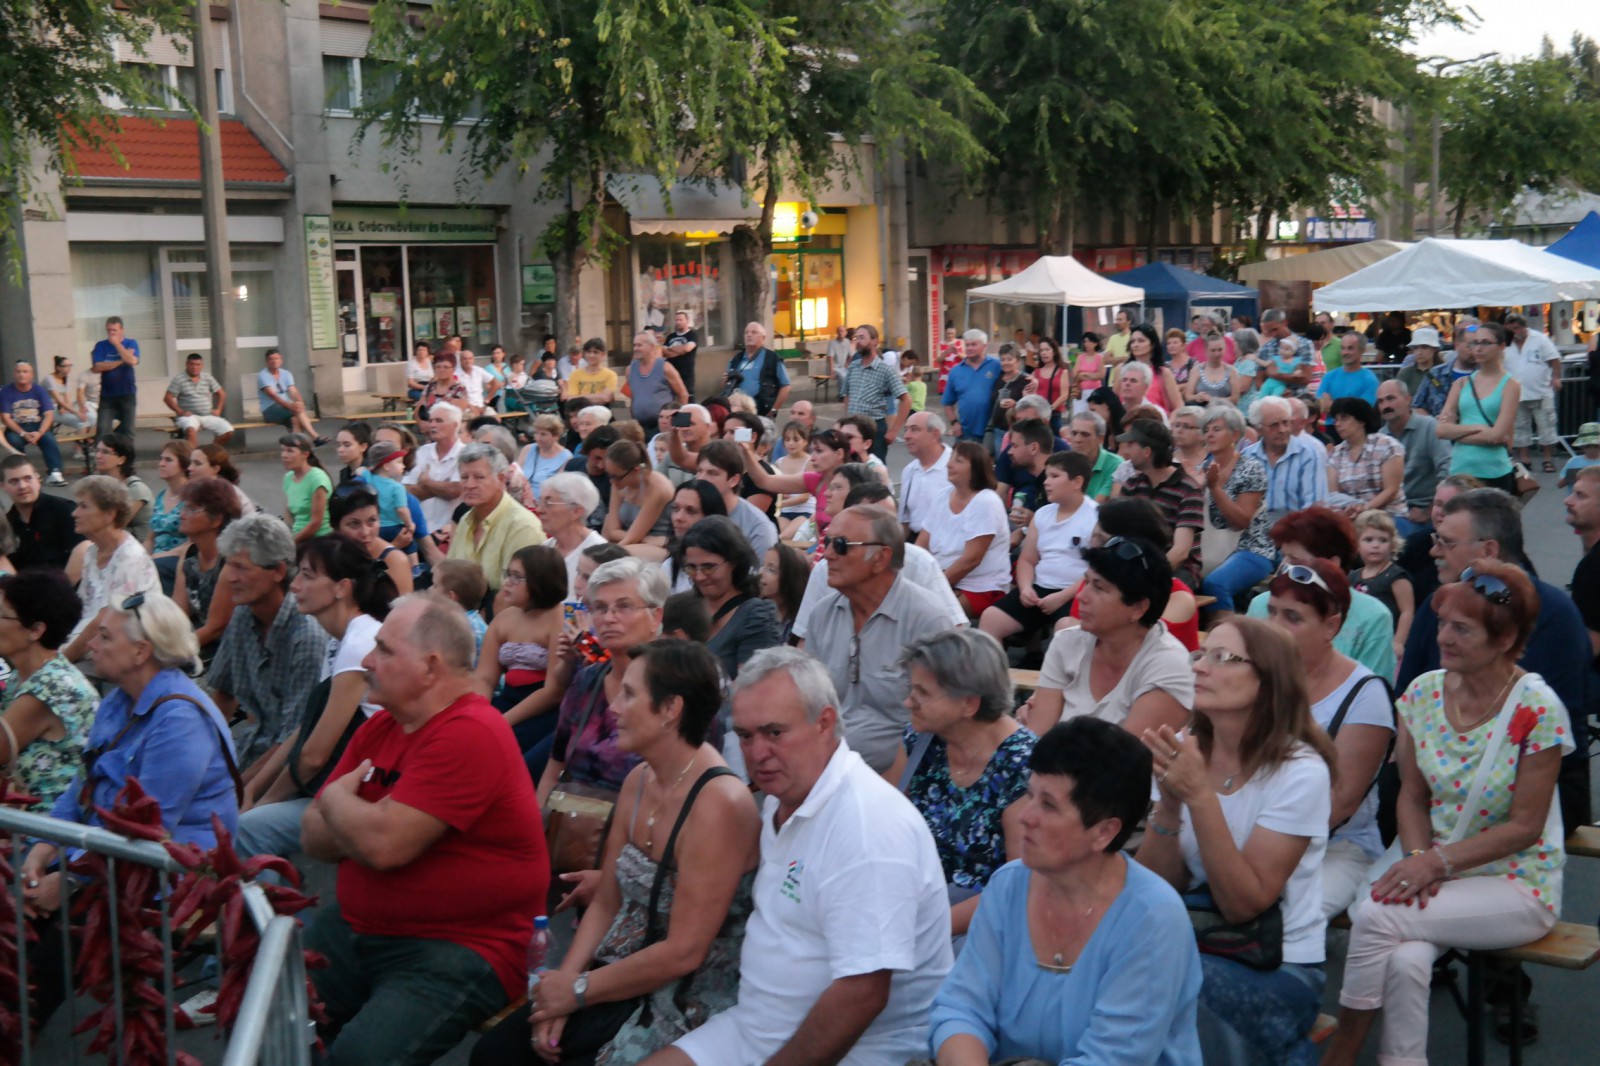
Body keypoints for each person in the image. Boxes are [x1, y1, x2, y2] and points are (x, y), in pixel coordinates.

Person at [646, 647, 952, 1066]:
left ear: (824, 722)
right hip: (754, 1026)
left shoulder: (866, 826)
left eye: (774, 732)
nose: (757, 753)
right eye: (745, 736)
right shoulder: (784, 795)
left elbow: (862, 993)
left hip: (859, 1053)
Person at [1321, 560, 1572, 1066]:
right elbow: (1412, 796)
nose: (1443, 638)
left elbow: (1525, 828)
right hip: (1437, 869)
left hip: (1516, 883)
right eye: (1442, 623)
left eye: (1462, 628)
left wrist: (1434, 864)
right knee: (1408, 959)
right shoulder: (1422, 693)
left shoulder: (1539, 709)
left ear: (1504, 640)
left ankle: (1342, 1051)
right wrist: (1419, 859)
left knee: (1375, 914)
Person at [475, 641, 759, 1066]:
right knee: (495, 1055)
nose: (613, 707)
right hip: (617, 972)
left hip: (682, 996)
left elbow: (685, 952)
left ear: (670, 709)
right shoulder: (639, 779)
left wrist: (576, 992)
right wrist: (564, 985)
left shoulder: (720, 803)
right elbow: (607, 901)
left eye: (629, 694)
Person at [301, 593, 550, 1066]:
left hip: (458, 946)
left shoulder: (471, 730)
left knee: (359, 1060)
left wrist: (337, 802)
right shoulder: (381, 728)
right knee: (268, 1015)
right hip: (361, 927)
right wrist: (365, 820)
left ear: (430, 667)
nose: (367, 662)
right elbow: (311, 837)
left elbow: (384, 846)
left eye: (384, 650)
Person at [928, 716, 1202, 1066]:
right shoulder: (1009, 885)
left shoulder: (1153, 919)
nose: (1025, 816)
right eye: (1029, 794)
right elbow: (961, 1007)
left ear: (1104, 832)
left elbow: (1112, 1059)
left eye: (1049, 805)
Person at [22, 591, 240, 1027]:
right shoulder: (119, 699)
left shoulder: (180, 720)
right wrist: (41, 850)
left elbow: (146, 831)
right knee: (20, 913)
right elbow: (83, 790)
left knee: (40, 966)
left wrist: (68, 881)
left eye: (104, 637)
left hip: (163, 876)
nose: (91, 644)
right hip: (106, 857)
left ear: (141, 652)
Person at [1136, 619, 1335, 1065]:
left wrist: (1199, 798)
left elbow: (1245, 903)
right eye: (1201, 654)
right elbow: (1158, 886)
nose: (1200, 667)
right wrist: (1168, 808)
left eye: (1223, 658)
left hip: (1278, 961)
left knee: (1177, 993)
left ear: (1268, 682)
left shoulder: (1301, 772)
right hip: (1196, 937)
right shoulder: (1186, 748)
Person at [1399, 488, 1592, 834]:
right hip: (1443, 777)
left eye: (1446, 542)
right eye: (1436, 539)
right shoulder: (1440, 605)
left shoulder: (1553, 616)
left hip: (1530, 787)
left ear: (1488, 550)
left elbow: (1538, 736)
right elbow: (1406, 700)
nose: (1434, 551)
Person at [234, 534, 393, 862]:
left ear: (341, 587)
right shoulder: (339, 640)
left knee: (247, 829)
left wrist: (265, 802)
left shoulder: (358, 643)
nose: (294, 586)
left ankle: (272, 898)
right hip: (346, 783)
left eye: (307, 576)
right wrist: (252, 789)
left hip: (370, 792)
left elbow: (314, 756)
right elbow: (305, 729)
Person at [1261, 560, 1395, 919]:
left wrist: (1259, 845)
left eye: (1292, 617)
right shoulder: (1256, 676)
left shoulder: (1365, 694)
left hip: (1336, 848)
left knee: (1292, 917)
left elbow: (1341, 803)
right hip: (1251, 833)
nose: (1275, 626)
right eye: (1271, 612)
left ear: (1331, 626)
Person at [800, 505, 961, 773]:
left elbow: (943, 723)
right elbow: (811, 703)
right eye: (827, 542)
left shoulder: (926, 620)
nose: (827, 554)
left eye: (841, 545)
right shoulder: (822, 614)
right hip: (822, 768)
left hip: (896, 777)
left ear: (880, 558)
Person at [897, 629, 1034, 939]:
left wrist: (924, 930)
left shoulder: (1023, 764)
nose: (908, 702)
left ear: (969, 704)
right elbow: (883, 825)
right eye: (910, 690)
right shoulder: (920, 740)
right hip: (913, 902)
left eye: (922, 693)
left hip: (980, 925)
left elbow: (1020, 885)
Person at [1019, 535, 1192, 734]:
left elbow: (1128, 752)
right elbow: (1037, 736)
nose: (1081, 596)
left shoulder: (1169, 666)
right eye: (1086, 582)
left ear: (1138, 608)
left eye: (1099, 588)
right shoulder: (1066, 642)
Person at [206, 514, 328, 776]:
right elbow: (224, 692)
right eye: (229, 566)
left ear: (279, 572)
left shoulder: (306, 636)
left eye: (242, 568)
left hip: (283, 770)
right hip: (250, 748)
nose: (230, 577)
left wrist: (240, 787)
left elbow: (293, 739)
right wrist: (204, 757)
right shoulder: (243, 614)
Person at [1244, 507, 1396, 678]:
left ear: (1332, 564)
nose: (1284, 568)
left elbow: (1374, 685)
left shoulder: (1373, 617)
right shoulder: (1261, 604)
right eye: (1284, 557)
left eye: (1294, 561)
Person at [0, 570, 97, 812]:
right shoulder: (23, 676)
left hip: (45, 828)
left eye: (2, 615)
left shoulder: (49, 689)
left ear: (35, 630)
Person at [980, 451, 1096, 640]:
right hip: (1039, 589)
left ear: (1077, 482)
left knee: (1066, 630)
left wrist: (1061, 597)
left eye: (1054, 476)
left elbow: (1096, 570)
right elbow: (1027, 559)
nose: (1046, 482)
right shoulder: (1042, 514)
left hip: (1076, 592)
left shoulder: (1096, 516)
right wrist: (1026, 588)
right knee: (991, 618)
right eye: (1047, 476)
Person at [476, 544, 569, 776]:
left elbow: (553, 691)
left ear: (540, 581)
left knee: (500, 753)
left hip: (543, 711)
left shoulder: (559, 620)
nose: (507, 583)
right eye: (508, 574)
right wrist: (480, 712)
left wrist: (502, 721)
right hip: (507, 699)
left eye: (517, 577)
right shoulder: (504, 619)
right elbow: (484, 677)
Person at [62, 474, 159, 664]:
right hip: (86, 642)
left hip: (117, 651)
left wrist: (61, 661)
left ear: (110, 514)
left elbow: (102, 624)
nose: (74, 513)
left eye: (84, 506)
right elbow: (82, 609)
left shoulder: (130, 558)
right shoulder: (92, 552)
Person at [677, 516, 782, 680]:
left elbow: (754, 687)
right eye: (691, 567)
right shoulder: (684, 607)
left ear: (734, 562)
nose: (699, 576)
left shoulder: (755, 615)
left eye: (708, 567)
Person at [1195, 404, 1271, 617]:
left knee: (1215, 584)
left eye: (1217, 429)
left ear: (1235, 435)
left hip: (1251, 548)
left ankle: (1228, 636)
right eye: (1206, 430)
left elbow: (1241, 521)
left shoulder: (1251, 468)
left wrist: (1215, 488)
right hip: (1210, 549)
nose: (1209, 435)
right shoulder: (1201, 469)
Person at [920, 442, 1011, 618]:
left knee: (926, 613)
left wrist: (933, 586)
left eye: (958, 460)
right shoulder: (942, 496)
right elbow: (921, 546)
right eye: (951, 458)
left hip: (979, 587)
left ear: (976, 469)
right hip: (942, 578)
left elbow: (971, 560)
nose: (949, 464)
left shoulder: (986, 501)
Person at [446, 442, 547, 600]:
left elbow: (517, 596)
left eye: (479, 477)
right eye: (464, 477)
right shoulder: (465, 520)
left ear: (501, 479)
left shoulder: (522, 526)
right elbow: (449, 576)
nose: (469, 485)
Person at [1116, 420, 1203, 590]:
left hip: (1177, 568)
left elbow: (1181, 551)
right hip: (1137, 561)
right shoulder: (1132, 484)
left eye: (1131, 444)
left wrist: (1146, 577)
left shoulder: (1188, 489)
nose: (1126, 451)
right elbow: (1116, 531)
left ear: (1147, 452)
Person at [1438, 321, 1519, 492]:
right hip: (1460, 469)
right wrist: (1478, 428)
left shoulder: (1511, 385)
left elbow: (1497, 435)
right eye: (1475, 343)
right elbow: (1441, 430)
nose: (1478, 348)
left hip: (1494, 470)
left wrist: (1457, 434)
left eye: (1486, 343)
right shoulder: (1461, 383)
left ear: (1501, 347)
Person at [172, 476, 243, 660]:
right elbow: (177, 614)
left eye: (191, 509)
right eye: (183, 507)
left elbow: (215, 628)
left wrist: (170, 653)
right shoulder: (189, 555)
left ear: (217, 519)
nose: (182, 514)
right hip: (195, 645)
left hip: (224, 654)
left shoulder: (229, 562)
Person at [1375, 378, 1452, 538]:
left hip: (1425, 510)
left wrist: (1428, 511)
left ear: (1407, 399)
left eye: (1390, 398)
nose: (1385, 405)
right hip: (1391, 511)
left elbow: (1447, 471)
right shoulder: (1379, 438)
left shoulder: (1429, 427)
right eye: (1381, 401)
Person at [1242, 395, 1328, 525]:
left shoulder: (1308, 455)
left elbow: (1315, 507)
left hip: (1295, 529)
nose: (1282, 430)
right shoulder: (1247, 456)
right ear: (1259, 429)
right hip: (1253, 529)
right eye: (1274, 425)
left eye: (1286, 423)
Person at [693, 439, 778, 561]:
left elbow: (761, 571)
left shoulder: (758, 527)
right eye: (699, 471)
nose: (701, 479)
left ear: (733, 480)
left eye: (712, 473)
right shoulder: (690, 510)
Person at [841, 324, 912, 458]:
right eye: (856, 338)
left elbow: (906, 400)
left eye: (862, 337)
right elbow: (847, 395)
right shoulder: (853, 367)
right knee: (852, 467)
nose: (858, 341)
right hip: (853, 428)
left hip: (874, 429)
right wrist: (846, 422)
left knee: (874, 468)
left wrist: (894, 431)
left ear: (874, 341)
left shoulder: (885, 369)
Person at [1327, 396, 1405, 517]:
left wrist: (1364, 509)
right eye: (1336, 419)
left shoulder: (1387, 445)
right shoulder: (1335, 453)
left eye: (1344, 418)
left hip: (1389, 515)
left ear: (1361, 421)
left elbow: (1391, 490)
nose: (1337, 424)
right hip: (1350, 516)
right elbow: (1334, 495)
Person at [330, 485, 414, 596]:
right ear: (336, 528)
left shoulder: (395, 561)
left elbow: (404, 606)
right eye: (354, 523)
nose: (365, 533)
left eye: (372, 520)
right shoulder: (326, 553)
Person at [1505, 312, 1563, 473]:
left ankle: (1547, 459)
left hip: (1541, 391)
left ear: (1524, 327)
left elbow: (1554, 359)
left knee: (1546, 426)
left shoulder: (1540, 339)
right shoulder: (1505, 342)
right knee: (1519, 427)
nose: (1514, 332)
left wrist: (1556, 377)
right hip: (1515, 393)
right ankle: (1525, 459)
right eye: (1510, 329)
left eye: (1516, 328)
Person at [1350, 509, 1413, 655]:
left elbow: (1407, 611)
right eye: (1368, 540)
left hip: (1384, 644)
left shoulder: (1395, 576)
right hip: (1358, 642)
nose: (1376, 545)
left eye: (1383, 540)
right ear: (1357, 544)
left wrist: (1398, 642)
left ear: (1392, 544)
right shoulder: (1353, 577)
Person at [4, 454, 81, 569]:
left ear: (38, 479)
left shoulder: (64, 510)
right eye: (14, 481)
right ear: (3, 486)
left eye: (28, 478)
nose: (22, 486)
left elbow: (83, 552)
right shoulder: (7, 523)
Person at [603, 439, 675, 561]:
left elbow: (632, 538)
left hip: (661, 546)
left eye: (615, 477)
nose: (612, 481)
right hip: (647, 540)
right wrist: (647, 539)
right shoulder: (618, 482)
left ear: (636, 470)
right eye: (609, 475)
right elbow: (612, 531)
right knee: (606, 522)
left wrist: (602, 557)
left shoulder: (657, 488)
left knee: (613, 557)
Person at [0, 360, 66, 484]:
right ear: (14, 374)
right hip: (16, 427)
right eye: (18, 372)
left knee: (49, 439)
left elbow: (49, 414)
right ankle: (22, 473)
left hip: (37, 425)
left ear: (31, 374)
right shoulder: (6, 391)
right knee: (14, 441)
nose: (22, 374)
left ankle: (55, 473)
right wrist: (23, 433)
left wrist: (40, 432)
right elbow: (6, 417)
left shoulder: (39, 390)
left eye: (25, 372)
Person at [408, 402, 467, 536]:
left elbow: (456, 490)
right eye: (431, 421)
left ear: (455, 425)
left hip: (449, 532)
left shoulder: (465, 454)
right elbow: (408, 490)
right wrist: (442, 488)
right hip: (419, 531)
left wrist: (426, 482)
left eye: (439, 421)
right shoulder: (422, 451)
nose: (432, 425)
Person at [92, 431, 154, 547]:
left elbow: (115, 525)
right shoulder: (100, 483)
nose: (98, 456)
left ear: (121, 459)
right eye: (97, 450)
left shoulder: (136, 490)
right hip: (112, 543)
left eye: (105, 452)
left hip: (135, 547)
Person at [898, 410, 952, 539]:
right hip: (915, 540)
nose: (906, 436)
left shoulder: (955, 467)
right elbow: (905, 519)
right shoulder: (909, 470)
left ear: (934, 435)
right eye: (905, 430)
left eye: (914, 429)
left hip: (945, 542)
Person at [942, 329, 1002, 443]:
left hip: (992, 431)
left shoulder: (996, 365)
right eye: (967, 345)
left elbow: (1016, 375)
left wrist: (1033, 380)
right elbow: (947, 403)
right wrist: (954, 423)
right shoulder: (955, 371)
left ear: (984, 346)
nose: (969, 348)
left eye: (974, 344)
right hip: (965, 433)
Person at [721, 322, 790, 418]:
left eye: (754, 332)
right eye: (746, 333)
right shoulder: (736, 359)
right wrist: (726, 382)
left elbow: (786, 386)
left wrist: (774, 410)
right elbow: (726, 386)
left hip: (762, 410)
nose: (749, 335)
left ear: (763, 338)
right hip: (739, 411)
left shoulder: (771, 358)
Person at [257, 348, 326, 443]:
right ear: (267, 361)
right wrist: (291, 406)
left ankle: (295, 444)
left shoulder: (286, 374)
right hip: (270, 410)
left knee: (295, 420)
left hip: (286, 408)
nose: (274, 361)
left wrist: (300, 403)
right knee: (297, 410)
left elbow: (293, 391)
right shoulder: (263, 375)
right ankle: (315, 437)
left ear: (281, 360)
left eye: (276, 359)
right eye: (271, 359)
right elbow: (273, 395)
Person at [163, 353, 233, 445]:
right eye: (192, 364)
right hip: (189, 417)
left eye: (198, 365)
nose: (194, 367)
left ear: (202, 365)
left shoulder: (207, 378)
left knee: (228, 431)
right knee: (190, 431)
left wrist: (218, 409)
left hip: (207, 415)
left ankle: (209, 451)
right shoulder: (179, 379)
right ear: (187, 364)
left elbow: (222, 394)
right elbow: (167, 398)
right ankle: (193, 453)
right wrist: (180, 412)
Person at [89, 315, 140, 440]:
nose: (111, 333)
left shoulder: (130, 343)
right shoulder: (101, 345)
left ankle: (124, 450)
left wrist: (117, 345)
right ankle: (102, 450)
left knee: (128, 430)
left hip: (127, 394)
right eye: (109, 330)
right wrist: (122, 360)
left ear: (121, 330)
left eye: (114, 330)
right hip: (107, 396)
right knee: (102, 431)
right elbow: (98, 366)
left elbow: (133, 361)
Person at [623, 330, 689, 427]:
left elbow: (683, 394)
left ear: (651, 347)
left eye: (639, 345)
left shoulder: (665, 368)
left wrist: (681, 423)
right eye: (634, 345)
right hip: (640, 426)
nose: (635, 348)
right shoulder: (630, 370)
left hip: (663, 425)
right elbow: (633, 398)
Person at [280, 432, 334, 542]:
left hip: (318, 539)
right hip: (297, 536)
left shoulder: (317, 479)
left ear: (305, 454)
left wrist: (292, 543)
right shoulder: (288, 477)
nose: (284, 455)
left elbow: (316, 523)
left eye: (290, 451)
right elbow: (288, 513)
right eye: (283, 450)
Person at [1064, 410, 1124, 502]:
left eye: (1085, 434)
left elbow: (1099, 504)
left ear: (1101, 439)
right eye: (1074, 433)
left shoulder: (1116, 465)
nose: (1078, 439)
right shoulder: (1062, 464)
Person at [189, 441, 259, 517]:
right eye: (190, 463)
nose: (189, 468)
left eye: (197, 463)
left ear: (215, 469)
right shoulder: (195, 489)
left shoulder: (227, 495)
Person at [759, 542, 808, 644]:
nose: (761, 572)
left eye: (771, 569)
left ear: (790, 577)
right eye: (762, 565)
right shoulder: (754, 611)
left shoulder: (800, 622)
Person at [46, 355, 89, 432]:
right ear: (58, 368)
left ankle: (86, 436)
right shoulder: (49, 379)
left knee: (87, 412)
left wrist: (71, 408)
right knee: (80, 420)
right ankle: (83, 436)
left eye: (70, 365)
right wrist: (77, 413)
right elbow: (59, 400)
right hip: (51, 408)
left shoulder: (66, 379)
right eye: (66, 366)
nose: (69, 368)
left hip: (63, 407)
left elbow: (68, 398)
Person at [663, 308, 701, 394]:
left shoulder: (692, 335)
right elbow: (664, 352)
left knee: (688, 396)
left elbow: (687, 348)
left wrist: (671, 348)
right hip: (671, 373)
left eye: (681, 320)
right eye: (676, 320)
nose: (678, 322)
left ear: (687, 321)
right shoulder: (670, 336)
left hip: (686, 374)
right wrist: (680, 351)